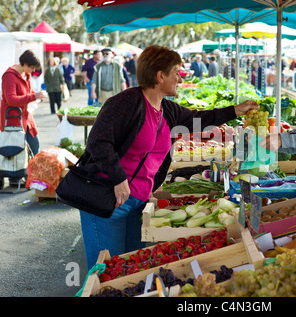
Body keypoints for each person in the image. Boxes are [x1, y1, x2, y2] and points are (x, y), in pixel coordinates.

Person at [76, 45, 258, 269]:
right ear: (160, 76)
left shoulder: (166, 109)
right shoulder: (125, 103)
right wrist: (118, 180)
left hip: (137, 203)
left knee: (128, 270)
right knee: (105, 271)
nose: (180, 80)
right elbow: (98, 143)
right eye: (176, 73)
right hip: (108, 200)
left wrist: (234, 111)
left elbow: (198, 118)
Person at [1, 50, 47, 159]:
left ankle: (31, 173)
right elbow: (11, 100)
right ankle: (19, 174)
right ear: (25, 64)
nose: (33, 71)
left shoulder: (26, 74)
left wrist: (38, 96)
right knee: (16, 151)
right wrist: (33, 96)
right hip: (13, 119)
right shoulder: (9, 76)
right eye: (32, 68)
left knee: (34, 145)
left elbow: (29, 92)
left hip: (25, 117)